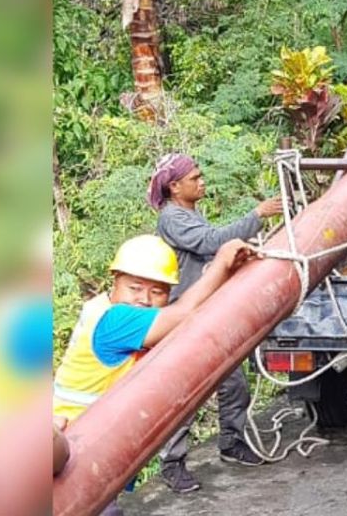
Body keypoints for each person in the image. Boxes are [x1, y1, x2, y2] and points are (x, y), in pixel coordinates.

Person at [52, 234, 255, 515]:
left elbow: (181, 312)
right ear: (115, 280)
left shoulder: (102, 309)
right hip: (73, 453)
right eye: (135, 288)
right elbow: (184, 313)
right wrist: (221, 263)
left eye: (157, 292)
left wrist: (218, 275)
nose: (144, 300)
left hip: (80, 446)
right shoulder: (116, 320)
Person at [148, 153, 283, 492]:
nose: (202, 181)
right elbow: (211, 243)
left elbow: (212, 253)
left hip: (209, 311)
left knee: (234, 382)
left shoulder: (191, 213)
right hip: (183, 316)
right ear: (175, 186)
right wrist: (257, 215)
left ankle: (231, 442)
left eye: (201, 175)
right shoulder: (172, 218)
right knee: (188, 392)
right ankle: (172, 462)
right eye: (195, 178)